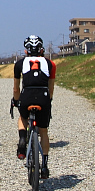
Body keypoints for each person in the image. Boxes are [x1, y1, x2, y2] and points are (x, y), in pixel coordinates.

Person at [12, 35, 55, 179]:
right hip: (43, 95)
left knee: (23, 117)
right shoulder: (50, 64)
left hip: (26, 95)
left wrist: (16, 100)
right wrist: (49, 101)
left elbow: (16, 88)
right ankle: (44, 165)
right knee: (43, 131)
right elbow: (51, 87)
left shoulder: (19, 64)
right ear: (41, 49)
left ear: (26, 51)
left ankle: (22, 139)